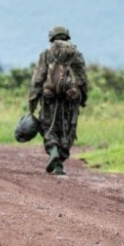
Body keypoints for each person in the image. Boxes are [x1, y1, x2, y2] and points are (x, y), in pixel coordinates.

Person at [27, 26, 89, 175]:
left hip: (50, 98)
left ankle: (53, 150)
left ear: (52, 39)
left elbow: (38, 79)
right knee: (67, 130)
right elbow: (82, 79)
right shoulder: (76, 54)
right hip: (70, 99)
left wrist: (32, 102)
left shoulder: (46, 54)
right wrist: (82, 98)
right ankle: (60, 164)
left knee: (48, 127)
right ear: (67, 38)